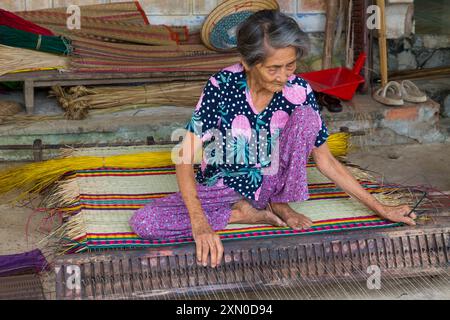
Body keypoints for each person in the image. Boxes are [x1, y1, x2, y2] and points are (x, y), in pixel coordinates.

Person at [129, 10, 416, 268]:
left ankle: (277, 202)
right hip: (222, 184)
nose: (283, 77)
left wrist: (380, 208)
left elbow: (326, 160)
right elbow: (184, 154)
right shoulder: (221, 86)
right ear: (247, 63)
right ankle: (243, 214)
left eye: (290, 65)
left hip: (271, 180)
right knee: (145, 222)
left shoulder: (299, 91)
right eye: (273, 68)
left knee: (305, 118)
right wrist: (200, 222)